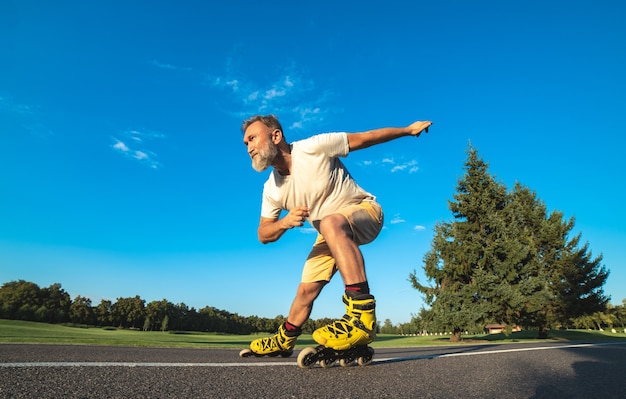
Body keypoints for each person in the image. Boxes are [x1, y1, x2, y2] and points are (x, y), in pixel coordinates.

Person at [242, 115, 432, 356]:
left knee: (330, 222)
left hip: (365, 211)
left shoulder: (313, 148)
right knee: (305, 291)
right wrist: (285, 222)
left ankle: (361, 315)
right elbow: (263, 233)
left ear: (276, 136)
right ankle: (285, 339)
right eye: (246, 143)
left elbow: (364, 139)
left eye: (252, 139)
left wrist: (406, 130)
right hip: (329, 232)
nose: (249, 148)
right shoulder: (272, 189)